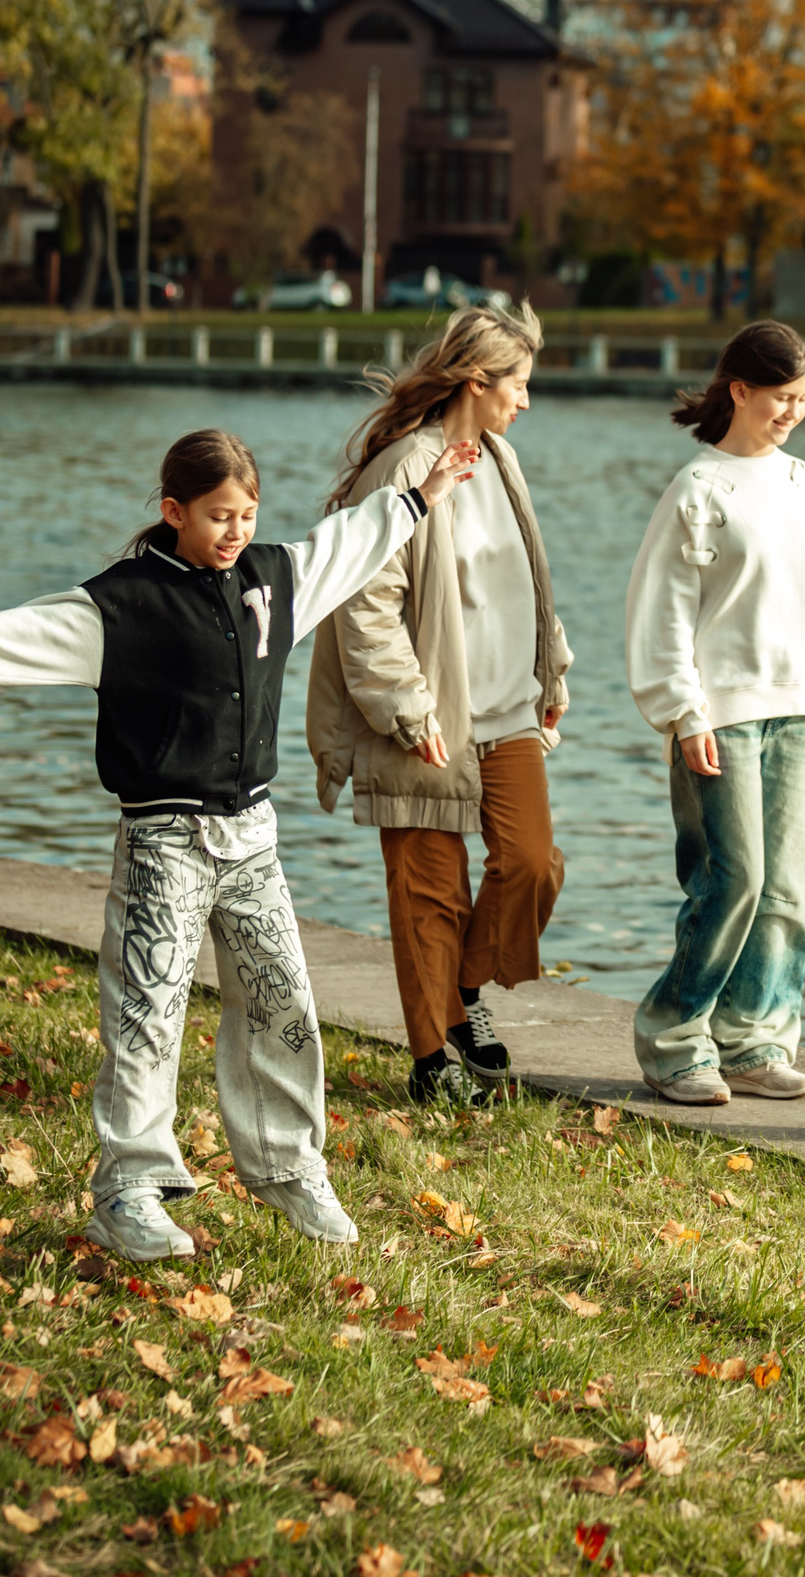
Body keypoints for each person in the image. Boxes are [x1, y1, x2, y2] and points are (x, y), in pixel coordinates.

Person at [0, 427, 482, 1260]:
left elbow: (346, 544)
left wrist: (420, 498)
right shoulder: (127, 602)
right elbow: (34, 634)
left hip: (252, 837)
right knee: (148, 1008)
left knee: (282, 1001)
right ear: (174, 511)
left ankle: (289, 1164)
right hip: (163, 843)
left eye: (247, 513)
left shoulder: (274, 578)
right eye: (218, 516)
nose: (236, 530)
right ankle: (129, 1189)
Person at [306, 302, 573, 1106]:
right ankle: (432, 1062)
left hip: (508, 708)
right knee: (427, 890)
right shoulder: (405, 466)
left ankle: (460, 990)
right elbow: (365, 602)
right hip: (425, 717)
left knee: (532, 864)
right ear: (474, 380)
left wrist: (551, 668)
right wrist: (407, 709)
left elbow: (526, 572)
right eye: (517, 384)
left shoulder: (501, 459)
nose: (525, 400)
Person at [624, 321, 805, 1106]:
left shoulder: (803, 484)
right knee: (733, 879)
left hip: (794, 709)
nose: (790, 412)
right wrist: (684, 713)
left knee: (787, 888)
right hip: (719, 715)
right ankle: (674, 1037)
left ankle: (754, 1038)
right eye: (780, 397)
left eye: (802, 400)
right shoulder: (699, 489)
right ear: (738, 389)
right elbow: (663, 612)